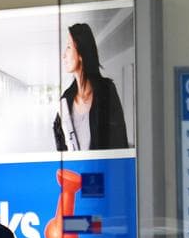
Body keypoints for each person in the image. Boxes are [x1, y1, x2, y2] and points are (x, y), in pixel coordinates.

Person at [52, 23, 131, 151]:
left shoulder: (106, 92)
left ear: (81, 54)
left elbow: (120, 142)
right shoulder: (65, 101)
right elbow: (61, 150)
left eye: (68, 47)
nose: (63, 55)